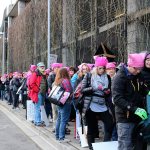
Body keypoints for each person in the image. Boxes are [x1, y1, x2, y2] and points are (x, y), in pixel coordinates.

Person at [112, 53, 149, 150]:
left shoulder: (138, 74)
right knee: (125, 145)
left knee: (139, 144)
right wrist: (134, 109)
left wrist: (148, 91)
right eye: (136, 68)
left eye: (140, 69)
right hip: (125, 118)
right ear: (129, 65)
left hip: (138, 117)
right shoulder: (119, 78)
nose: (138, 71)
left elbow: (142, 87)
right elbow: (117, 99)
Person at [82, 57, 113, 150]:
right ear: (96, 68)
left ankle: (104, 145)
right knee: (91, 129)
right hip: (91, 104)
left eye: (103, 68)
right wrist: (94, 88)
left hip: (103, 104)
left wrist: (107, 92)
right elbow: (83, 90)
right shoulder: (89, 76)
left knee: (110, 124)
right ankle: (92, 148)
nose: (102, 70)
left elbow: (109, 90)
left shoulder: (107, 77)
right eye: (100, 68)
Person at [54, 68, 72, 142]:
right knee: (63, 120)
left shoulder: (58, 81)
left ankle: (57, 136)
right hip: (65, 102)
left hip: (59, 102)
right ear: (65, 73)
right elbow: (69, 92)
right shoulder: (65, 80)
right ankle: (62, 137)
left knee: (59, 119)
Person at [28, 62, 48, 126]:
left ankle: (39, 120)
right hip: (38, 93)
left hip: (43, 93)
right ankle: (38, 121)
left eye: (43, 66)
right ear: (38, 67)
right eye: (41, 66)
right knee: (38, 107)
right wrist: (38, 90)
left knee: (41, 107)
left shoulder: (44, 74)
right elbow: (31, 84)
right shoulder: (35, 74)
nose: (42, 67)